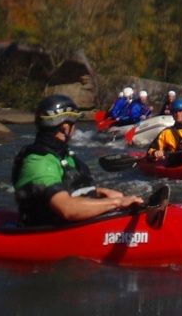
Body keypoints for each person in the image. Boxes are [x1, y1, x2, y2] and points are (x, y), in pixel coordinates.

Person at [12, 94, 144, 226]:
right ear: (64, 127)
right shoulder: (39, 162)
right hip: (48, 233)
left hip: (72, 225)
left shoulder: (63, 155)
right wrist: (117, 203)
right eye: (73, 123)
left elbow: (72, 188)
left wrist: (100, 192)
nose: (75, 128)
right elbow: (67, 209)